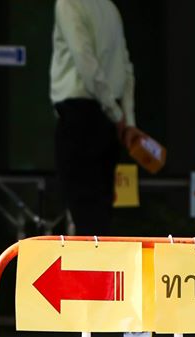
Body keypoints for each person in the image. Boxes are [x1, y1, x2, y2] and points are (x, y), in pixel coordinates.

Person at [50, 0, 143, 236]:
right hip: (108, 122)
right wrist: (127, 121)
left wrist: (116, 113)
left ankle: (92, 262)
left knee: (84, 215)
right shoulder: (109, 7)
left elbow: (84, 60)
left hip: (80, 114)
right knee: (100, 213)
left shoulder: (69, 4)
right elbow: (126, 68)